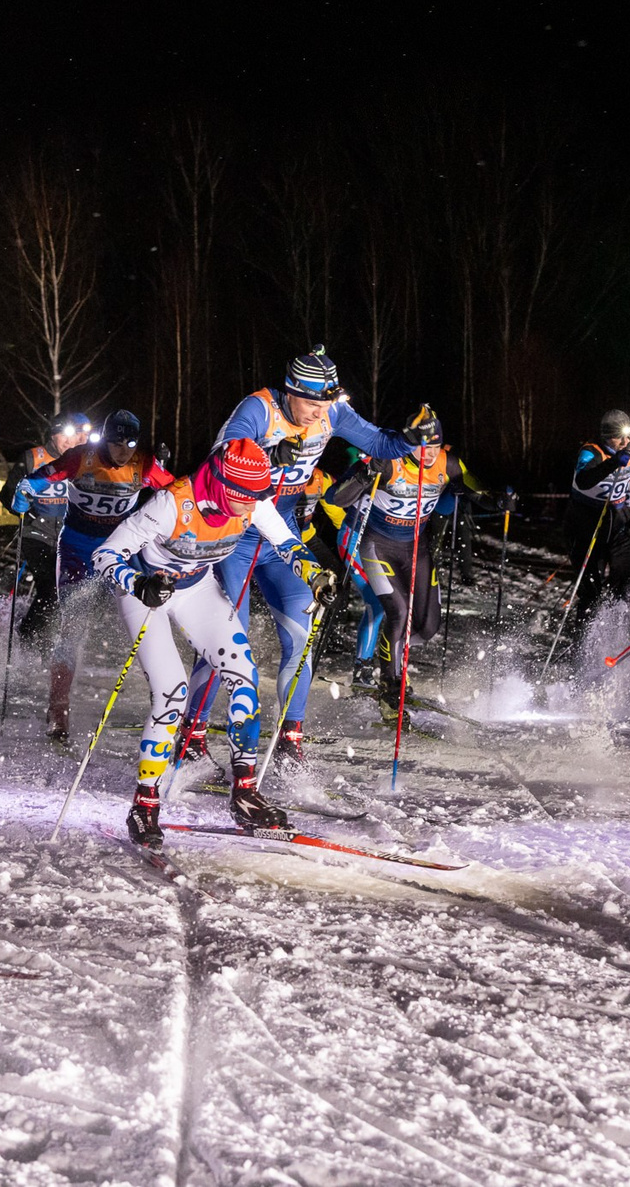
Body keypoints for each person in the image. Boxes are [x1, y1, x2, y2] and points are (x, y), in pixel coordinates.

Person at [89, 436, 340, 846]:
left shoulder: (252, 498)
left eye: (256, 496)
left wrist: (316, 576)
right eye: (243, 496)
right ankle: (145, 804)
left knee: (244, 676)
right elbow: (105, 555)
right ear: (222, 483)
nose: (250, 505)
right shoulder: (172, 502)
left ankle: (244, 794)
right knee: (172, 692)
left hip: (198, 589)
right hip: (147, 593)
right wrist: (138, 583)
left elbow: (286, 543)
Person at [190, 348, 411, 761]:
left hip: (282, 537)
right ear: (291, 392)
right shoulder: (259, 409)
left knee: (301, 639)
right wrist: (268, 455)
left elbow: (381, 441)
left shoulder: (332, 413)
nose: (319, 413)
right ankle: (193, 734)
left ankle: (290, 739)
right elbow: (218, 460)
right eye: (311, 403)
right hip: (235, 539)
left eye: (326, 403)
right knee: (223, 642)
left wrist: (411, 439)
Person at [32, 410, 176, 738]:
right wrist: (23, 489)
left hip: (121, 548)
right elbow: (42, 477)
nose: (122, 450)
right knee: (73, 624)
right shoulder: (81, 458)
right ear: (105, 438)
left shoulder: (144, 462)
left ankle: (167, 703)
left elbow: (177, 496)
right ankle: (58, 709)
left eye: (130, 443)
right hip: (77, 548)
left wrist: (165, 472)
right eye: (115, 443)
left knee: (145, 615)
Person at [350, 408, 450, 738]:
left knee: (428, 625)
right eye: (424, 445)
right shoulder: (388, 461)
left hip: (416, 551)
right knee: (397, 612)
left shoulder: (447, 464)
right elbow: (337, 497)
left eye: (436, 445)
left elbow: (466, 492)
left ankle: (396, 665)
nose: (430, 452)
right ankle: (389, 686)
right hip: (377, 546)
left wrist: (493, 499)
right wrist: (363, 476)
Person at [563, 409, 630, 642]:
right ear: (606, 436)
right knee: (591, 594)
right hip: (584, 529)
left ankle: (628, 636)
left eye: (628, 436)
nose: (625, 441)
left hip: (617, 528)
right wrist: (612, 465)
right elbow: (584, 479)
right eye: (619, 437)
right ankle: (583, 645)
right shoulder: (591, 452)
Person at [6, 411, 93, 633]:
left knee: (73, 589)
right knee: (51, 585)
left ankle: (50, 636)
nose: (68, 441)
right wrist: (22, 507)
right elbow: (6, 493)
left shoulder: (82, 461)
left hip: (68, 535)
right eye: (62, 435)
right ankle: (29, 634)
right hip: (36, 533)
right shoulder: (33, 458)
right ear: (52, 435)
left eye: (72, 436)